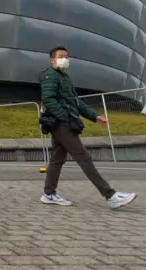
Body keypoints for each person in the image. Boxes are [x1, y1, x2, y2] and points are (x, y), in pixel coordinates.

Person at [40, 46, 137, 209]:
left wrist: (94, 116)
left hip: (61, 122)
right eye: (61, 56)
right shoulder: (49, 75)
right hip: (60, 123)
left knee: (57, 159)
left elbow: (77, 102)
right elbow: (48, 100)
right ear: (52, 60)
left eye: (67, 56)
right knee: (83, 157)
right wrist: (66, 117)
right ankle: (110, 195)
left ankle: (49, 194)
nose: (65, 59)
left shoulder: (64, 77)